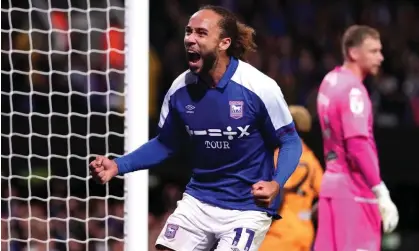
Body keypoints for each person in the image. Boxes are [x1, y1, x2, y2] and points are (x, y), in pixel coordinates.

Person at [89, 5, 302, 251]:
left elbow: (290, 141)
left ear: (224, 43)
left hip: (246, 207)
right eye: (188, 31)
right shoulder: (179, 91)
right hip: (199, 200)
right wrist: (118, 165)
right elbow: (165, 144)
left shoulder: (259, 88)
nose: (190, 38)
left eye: (201, 33)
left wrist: (276, 183)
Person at [314, 25, 399, 251]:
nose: (380, 58)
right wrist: (381, 191)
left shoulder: (329, 81)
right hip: (354, 193)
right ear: (353, 52)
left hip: (331, 186)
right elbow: (357, 145)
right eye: (373, 51)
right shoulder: (353, 91)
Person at [259, 105, 323, 251]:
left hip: (278, 234)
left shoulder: (276, 157)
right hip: (304, 234)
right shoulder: (311, 161)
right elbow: (324, 199)